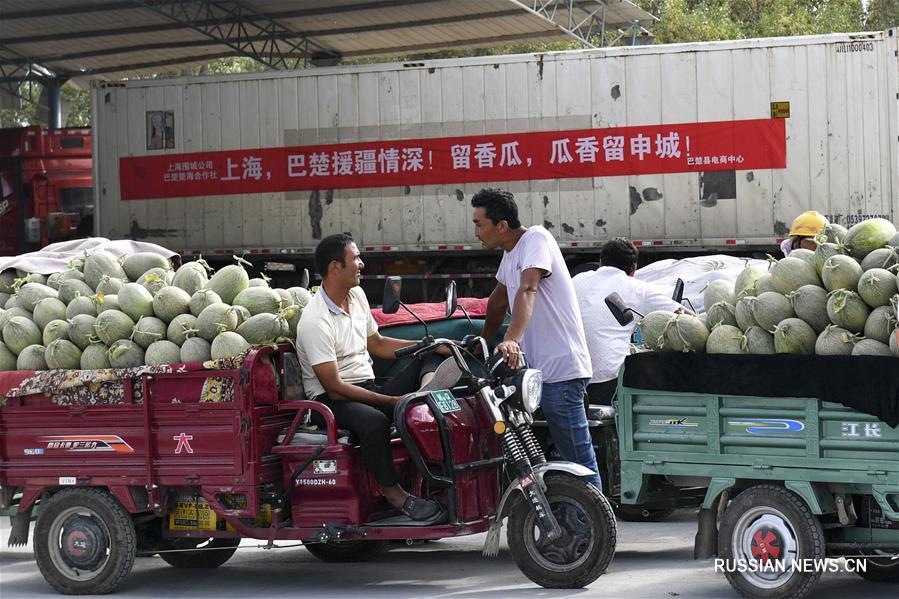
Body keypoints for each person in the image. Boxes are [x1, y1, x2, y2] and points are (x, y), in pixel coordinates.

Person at [296, 233, 444, 521]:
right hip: (330, 402)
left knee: (431, 355)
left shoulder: (357, 296)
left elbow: (376, 344)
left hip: (366, 387)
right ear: (335, 267)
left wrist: (425, 344)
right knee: (375, 422)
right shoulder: (315, 320)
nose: (362, 264)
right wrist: (390, 401)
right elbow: (335, 388)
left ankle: (419, 398)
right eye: (356, 259)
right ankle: (394, 493)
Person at [472, 188, 602, 490]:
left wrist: (512, 339)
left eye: (480, 224)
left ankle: (596, 531)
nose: (476, 231)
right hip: (538, 375)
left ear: (501, 226)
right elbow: (498, 300)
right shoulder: (510, 253)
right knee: (546, 456)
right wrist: (481, 342)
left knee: (577, 458)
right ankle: (571, 525)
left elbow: (528, 288)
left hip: (562, 371)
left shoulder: (536, 239)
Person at [573, 238, 684, 406]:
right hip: (608, 380)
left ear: (600, 262)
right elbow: (684, 317)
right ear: (633, 270)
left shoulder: (578, 279)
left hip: (569, 377)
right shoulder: (638, 288)